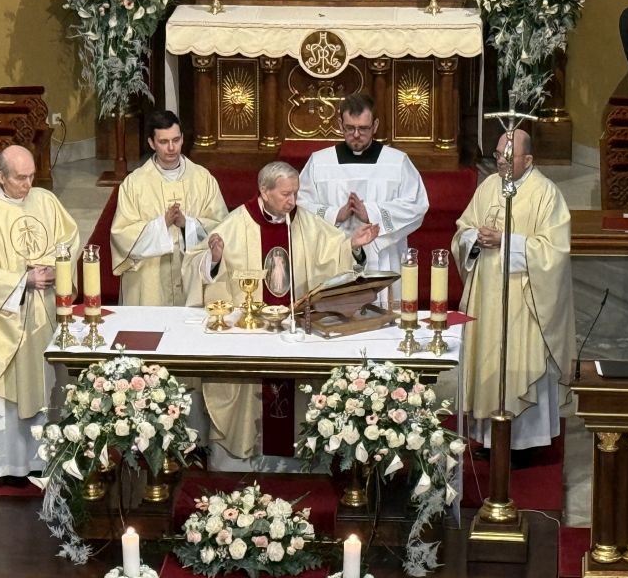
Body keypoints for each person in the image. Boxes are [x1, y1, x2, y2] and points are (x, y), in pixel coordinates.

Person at [183, 161, 379, 460]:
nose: (292, 200)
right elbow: (195, 262)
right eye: (286, 194)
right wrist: (215, 259)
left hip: (296, 326)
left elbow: (332, 252)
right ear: (264, 191)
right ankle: (250, 453)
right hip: (253, 332)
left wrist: (352, 245)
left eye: (296, 193)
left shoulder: (306, 221)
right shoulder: (236, 223)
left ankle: (301, 454)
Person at [0, 145, 81, 485]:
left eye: (31, 176)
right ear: (0, 177)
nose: (28, 184)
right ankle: (4, 464)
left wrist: (53, 266)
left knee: (47, 384)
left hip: (44, 316)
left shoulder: (45, 201)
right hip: (5, 322)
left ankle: (44, 458)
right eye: (20, 178)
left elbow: (69, 238)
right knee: (7, 395)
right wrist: (24, 280)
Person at [450, 129, 575, 456]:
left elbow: (554, 252)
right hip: (487, 297)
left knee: (520, 363)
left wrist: (505, 241)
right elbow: (462, 231)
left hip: (525, 300)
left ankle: (526, 443)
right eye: (497, 155)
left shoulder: (545, 194)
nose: (500, 162)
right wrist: (475, 239)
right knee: (490, 364)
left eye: (508, 157)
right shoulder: (489, 186)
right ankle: (491, 440)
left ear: (528, 159)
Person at [296, 92, 428, 301]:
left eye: (363, 128)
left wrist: (372, 213)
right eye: (350, 128)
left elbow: (416, 204)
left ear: (375, 126)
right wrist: (335, 215)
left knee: (383, 313)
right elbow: (300, 205)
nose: (356, 134)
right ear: (340, 125)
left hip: (383, 256)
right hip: (333, 257)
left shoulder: (396, 162)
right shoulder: (320, 162)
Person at [110, 110, 228, 305]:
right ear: (151, 143)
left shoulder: (203, 179)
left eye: (176, 140)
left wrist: (187, 224)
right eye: (163, 142)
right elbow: (121, 235)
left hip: (192, 279)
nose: (171, 148)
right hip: (149, 285)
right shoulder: (134, 184)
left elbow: (221, 226)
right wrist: (161, 224)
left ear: (182, 139)